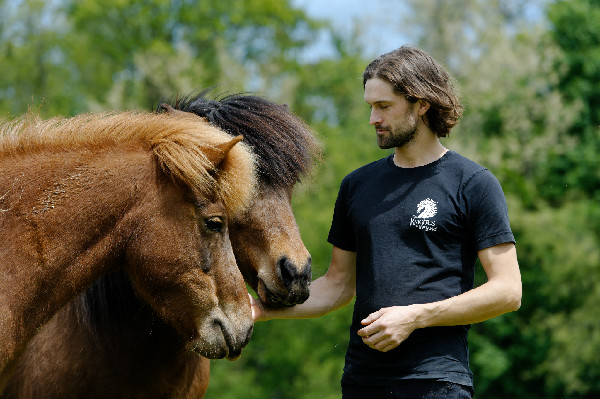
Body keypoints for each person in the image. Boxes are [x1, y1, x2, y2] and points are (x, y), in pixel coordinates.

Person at [250, 45, 522, 399]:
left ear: (421, 104)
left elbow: (508, 291)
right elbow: (336, 286)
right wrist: (263, 309)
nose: (372, 119)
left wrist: (416, 317)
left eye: (384, 106)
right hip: (361, 383)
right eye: (370, 107)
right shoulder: (356, 185)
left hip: (436, 383)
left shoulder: (472, 183)